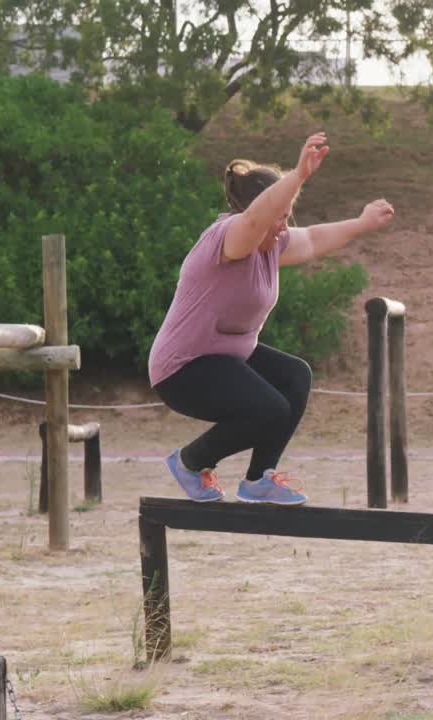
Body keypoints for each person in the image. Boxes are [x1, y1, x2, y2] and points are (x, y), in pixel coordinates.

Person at [148, 132, 395, 505]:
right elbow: (254, 221)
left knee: (295, 376)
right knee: (268, 408)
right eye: (277, 217)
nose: (282, 227)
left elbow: (311, 238)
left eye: (285, 217)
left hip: (224, 359)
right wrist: (297, 175)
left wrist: (362, 222)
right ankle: (190, 462)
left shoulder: (272, 243)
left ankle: (257, 480)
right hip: (182, 369)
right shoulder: (228, 239)